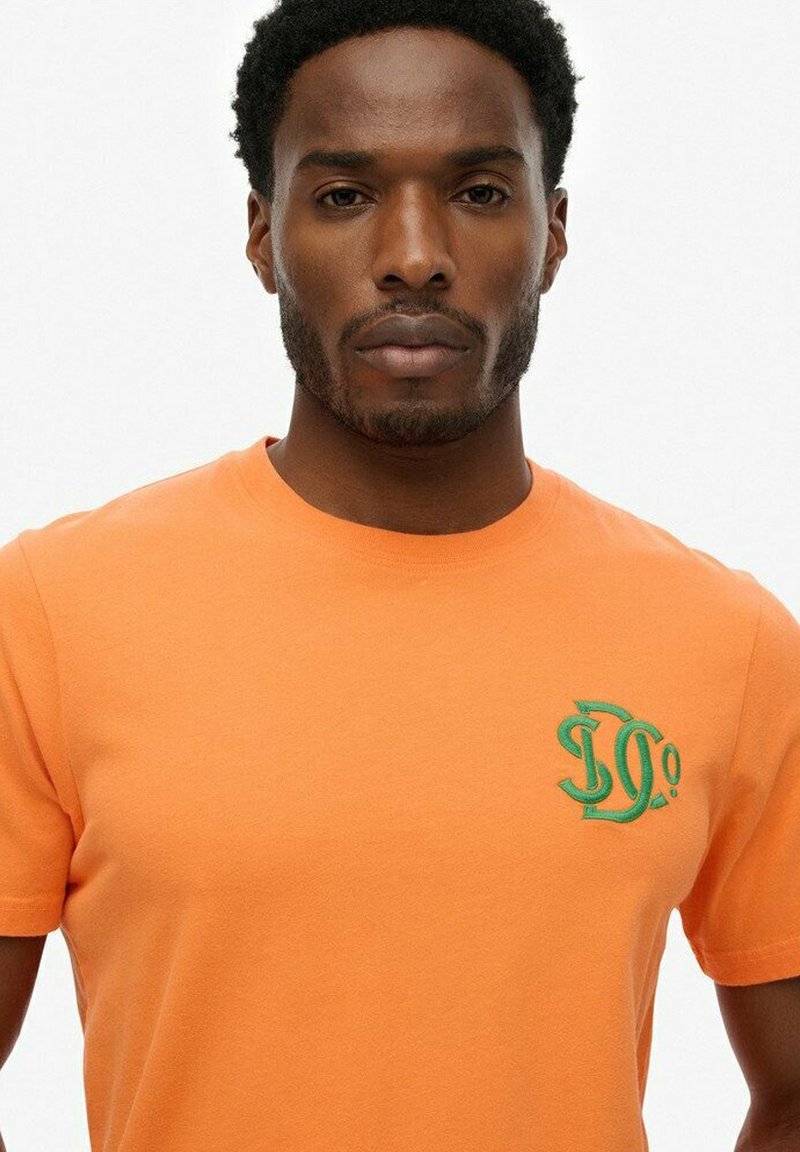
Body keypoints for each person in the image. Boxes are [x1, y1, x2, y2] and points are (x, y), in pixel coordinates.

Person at [1, 2, 799, 1150]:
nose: (414, 255)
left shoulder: (728, 645)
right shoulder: (49, 614)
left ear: (552, 232)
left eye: (476, 191)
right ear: (262, 235)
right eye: (343, 195)